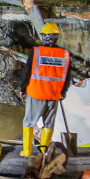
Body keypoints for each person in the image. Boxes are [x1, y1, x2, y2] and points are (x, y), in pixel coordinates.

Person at [19, 22, 72, 157]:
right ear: (56, 38)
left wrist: (23, 88)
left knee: (29, 122)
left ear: (44, 37)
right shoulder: (64, 54)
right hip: (54, 95)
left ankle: (27, 151)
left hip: (36, 93)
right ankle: (44, 152)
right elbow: (67, 76)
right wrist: (63, 91)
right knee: (48, 124)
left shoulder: (37, 52)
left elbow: (27, 72)